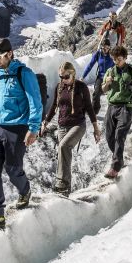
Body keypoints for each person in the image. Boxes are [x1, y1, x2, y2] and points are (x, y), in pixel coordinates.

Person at [0, 37, 43, 229]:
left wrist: (33, 128)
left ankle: (25, 190)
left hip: (18, 128)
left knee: (13, 169)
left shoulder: (24, 74)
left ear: (10, 54)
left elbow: (35, 102)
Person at [40, 62, 101, 195]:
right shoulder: (59, 87)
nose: (63, 79)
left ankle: (61, 182)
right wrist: (45, 122)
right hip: (62, 125)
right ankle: (66, 190)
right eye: (60, 77)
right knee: (63, 156)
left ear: (72, 74)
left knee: (63, 147)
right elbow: (54, 107)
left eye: (66, 77)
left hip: (78, 125)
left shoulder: (81, 87)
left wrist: (96, 128)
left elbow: (90, 108)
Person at [101, 45, 132, 178]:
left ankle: (115, 167)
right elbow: (103, 90)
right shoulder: (110, 71)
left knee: (119, 135)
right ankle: (119, 159)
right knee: (109, 137)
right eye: (114, 59)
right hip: (111, 107)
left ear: (125, 58)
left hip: (126, 107)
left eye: (119, 59)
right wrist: (107, 83)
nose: (117, 62)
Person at [81, 39, 115, 115]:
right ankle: (94, 111)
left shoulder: (112, 55)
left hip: (110, 77)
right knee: (96, 94)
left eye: (108, 48)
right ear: (101, 47)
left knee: (114, 95)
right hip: (100, 77)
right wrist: (83, 76)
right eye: (104, 48)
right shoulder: (98, 54)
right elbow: (90, 65)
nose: (106, 50)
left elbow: (117, 65)